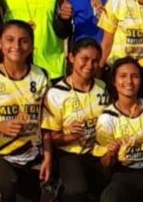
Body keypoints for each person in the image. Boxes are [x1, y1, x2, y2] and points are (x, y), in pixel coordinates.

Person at [0, 20, 52, 202]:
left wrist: (47, 157)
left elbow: (46, 123)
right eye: (10, 40)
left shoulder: (41, 76)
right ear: (0, 43)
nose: (16, 46)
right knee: (7, 183)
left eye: (23, 41)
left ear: (31, 46)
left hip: (31, 157)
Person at [92, 57, 143, 202]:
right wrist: (110, 153)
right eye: (123, 76)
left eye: (135, 76)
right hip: (125, 175)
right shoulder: (107, 117)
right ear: (114, 82)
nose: (129, 81)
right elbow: (104, 163)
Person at [42, 38, 110, 202]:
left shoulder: (102, 88)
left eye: (94, 61)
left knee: (109, 188)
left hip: (98, 151)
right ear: (71, 58)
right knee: (77, 190)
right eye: (84, 59)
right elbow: (51, 137)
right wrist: (69, 136)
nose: (89, 65)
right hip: (69, 153)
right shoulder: (56, 94)